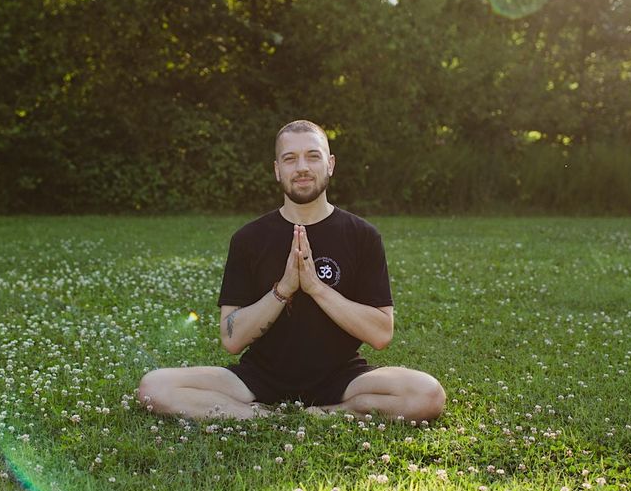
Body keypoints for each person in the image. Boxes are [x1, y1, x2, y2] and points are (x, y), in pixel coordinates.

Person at [136, 119, 446, 421]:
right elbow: (232, 340)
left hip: (342, 377)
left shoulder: (362, 236)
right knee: (154, 387)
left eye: (313, 156)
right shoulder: (249, 239)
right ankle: (259, 415)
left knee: (428, 394)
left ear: (330, 164)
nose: (302, 167)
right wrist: (283, 289)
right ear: (277, 169)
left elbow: (381, 334)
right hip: (259, 377)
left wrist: (314, 287)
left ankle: (330, 412)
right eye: (290, 158)